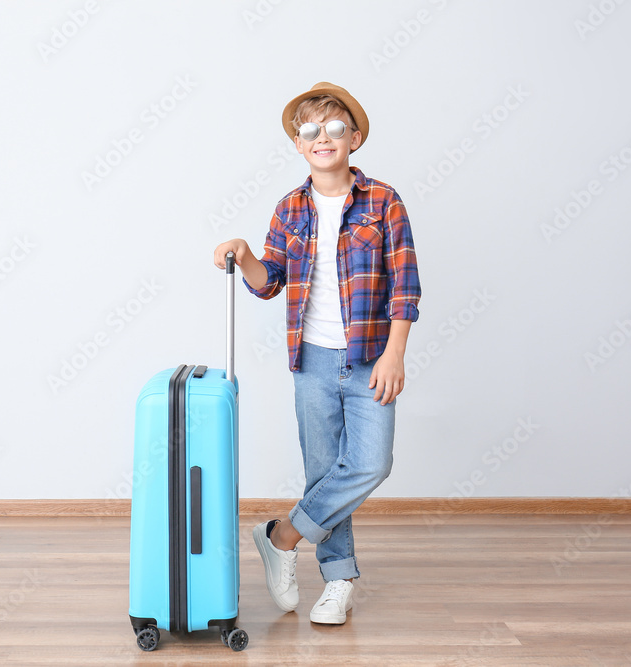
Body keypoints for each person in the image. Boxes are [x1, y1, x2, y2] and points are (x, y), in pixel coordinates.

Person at [213, 82, 421, 625]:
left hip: (370, 355)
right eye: (310, 131)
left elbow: (405, 286)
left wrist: (394, 354)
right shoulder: (291, 206)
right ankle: (339, 580)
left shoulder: (384, 200)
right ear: (299, 145)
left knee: (371, 463)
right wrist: (245, 252)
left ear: (353, 137)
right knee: (325, 470)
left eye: (334, 128)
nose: (322, 137)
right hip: (312, 360)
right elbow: (268, 281)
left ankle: (281, 536)